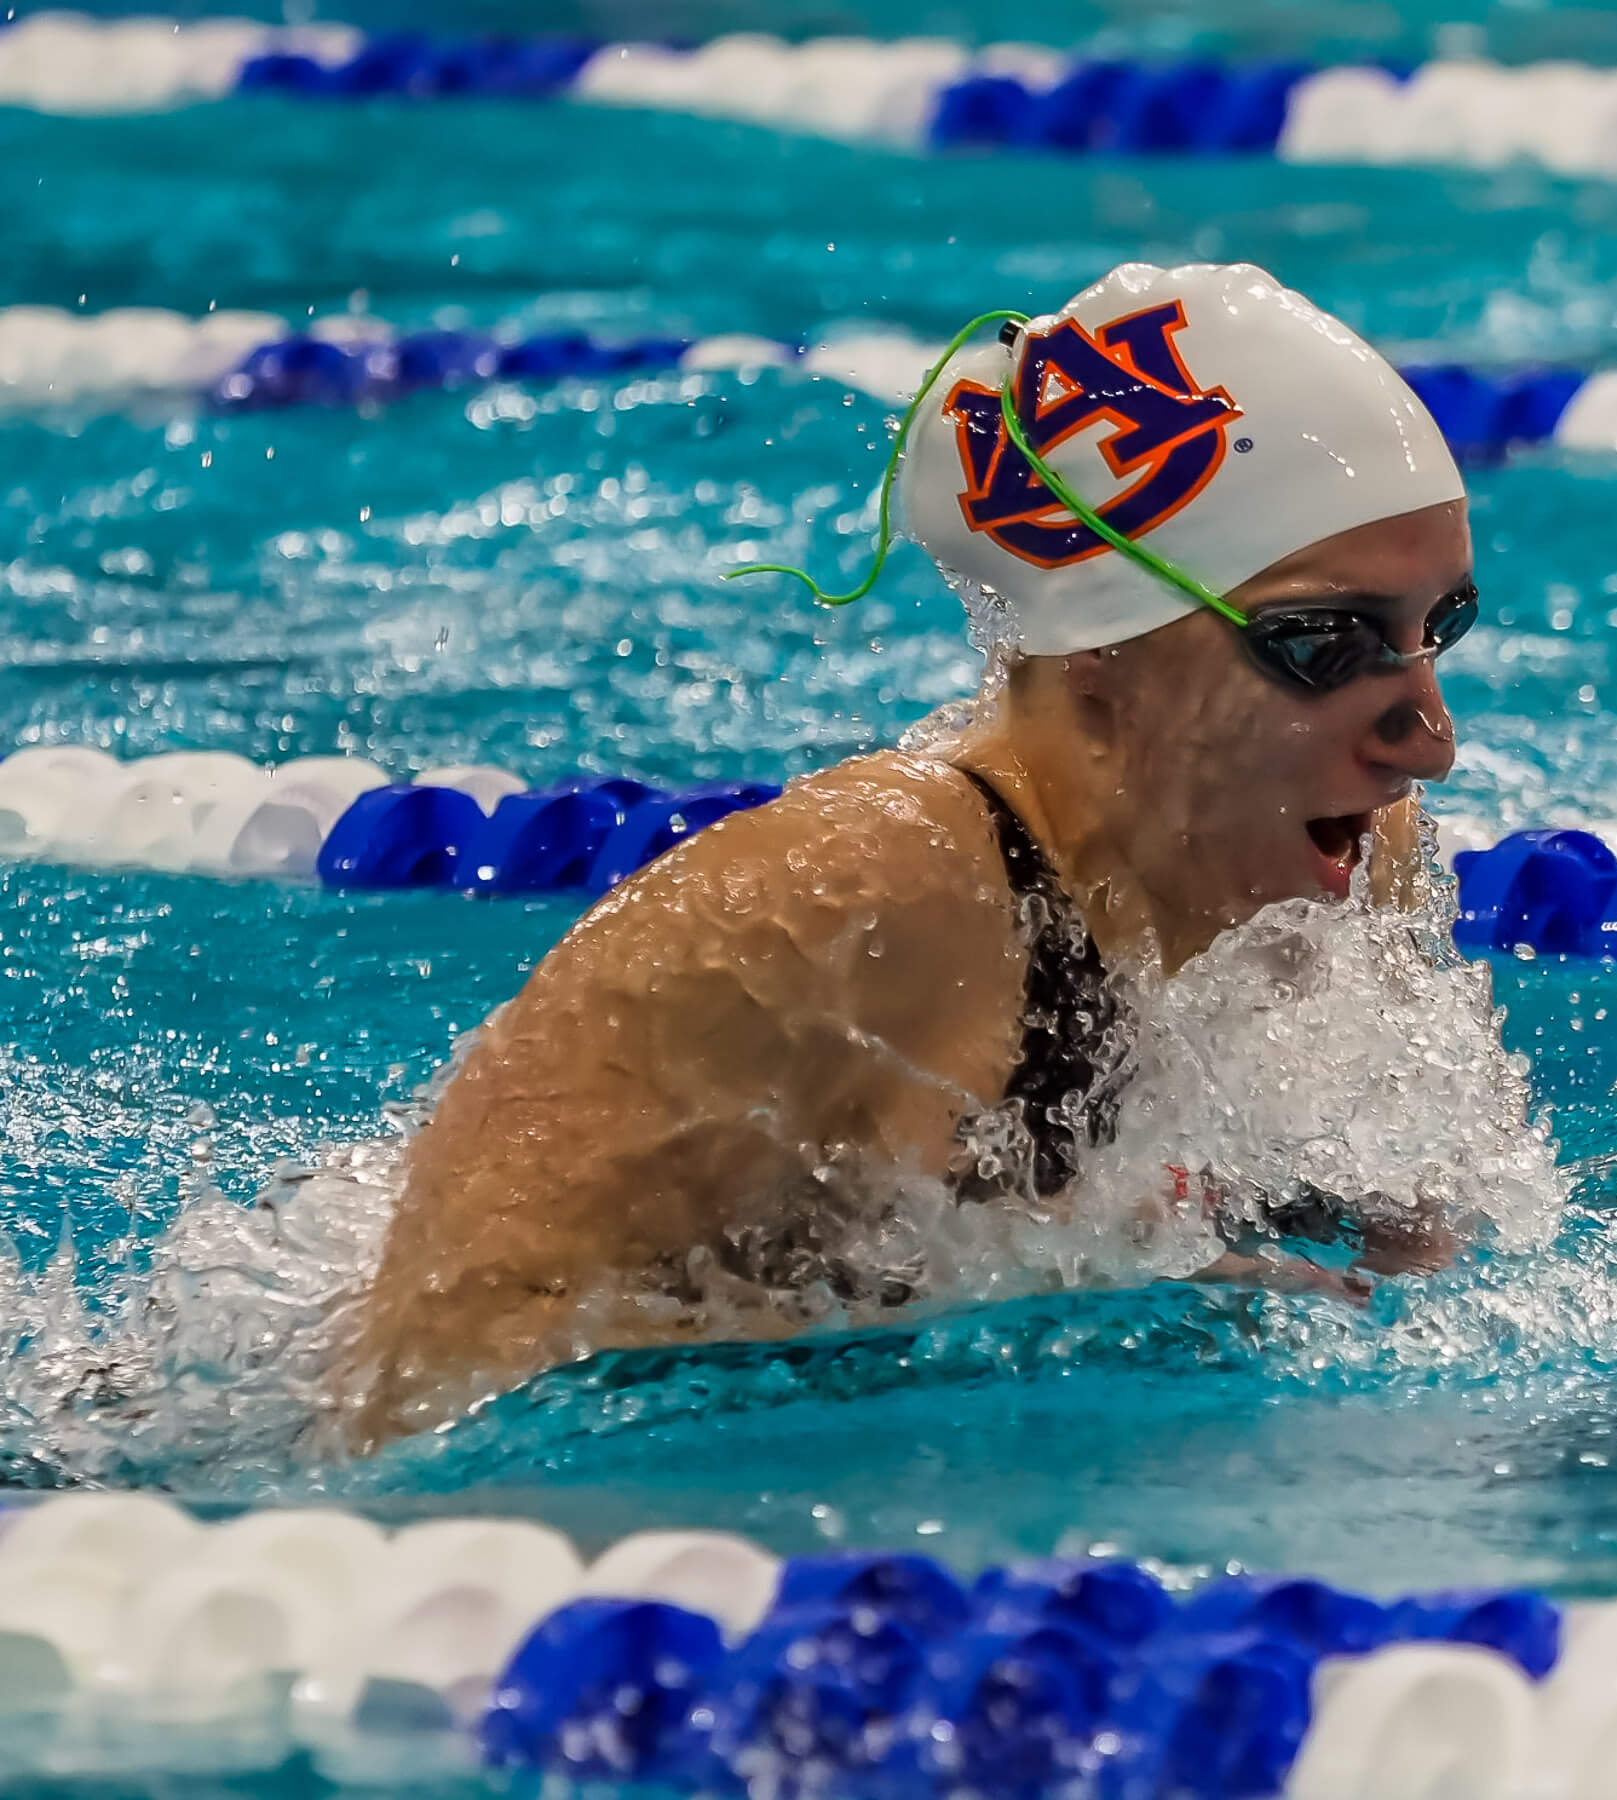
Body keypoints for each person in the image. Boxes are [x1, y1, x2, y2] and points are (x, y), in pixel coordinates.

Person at [338, 262, 1482, 1446]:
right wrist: (1068, 1329)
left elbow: (1418, 1246)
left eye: (1438, 629)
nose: (1429, 740)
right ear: (1106, 635)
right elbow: (425, 1378)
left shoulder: (1352, 854)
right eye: (1323, 645)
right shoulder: (844, 906)